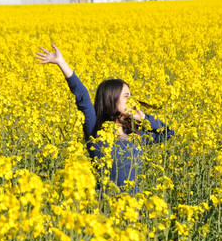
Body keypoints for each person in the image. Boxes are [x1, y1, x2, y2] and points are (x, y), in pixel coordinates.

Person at [35, 44, 174, 195]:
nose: (131, 100)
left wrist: (143, 118)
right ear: (111, 99)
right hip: (106, 210)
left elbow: (168, 133)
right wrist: (61, 63)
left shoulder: (135, 135)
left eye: (131, 95)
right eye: (126, 96)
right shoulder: (95, 131)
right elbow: (82, 96)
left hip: (133, 211)